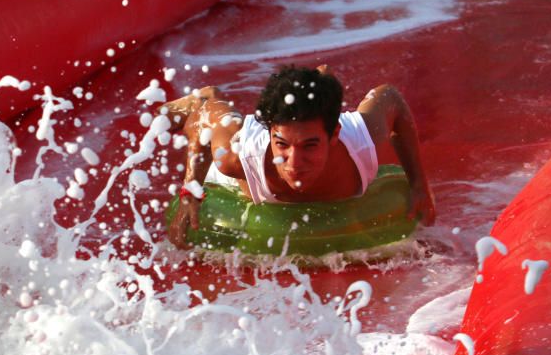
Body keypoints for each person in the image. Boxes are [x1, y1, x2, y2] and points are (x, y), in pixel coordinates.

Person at [162, 64, 436, 249]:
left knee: (315, 109)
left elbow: (391, 98)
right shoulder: (237, 158)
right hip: (250, 134)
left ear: (334, 135)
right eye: (284, 147)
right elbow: (203, 120)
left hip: (310, 125)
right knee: (182, 115)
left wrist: (419, 183)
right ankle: (207, 94)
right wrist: (190, 192)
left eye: (310, 146)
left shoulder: (362, 142)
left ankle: (320, 80)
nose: (293, 164)